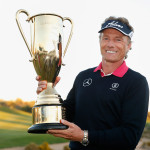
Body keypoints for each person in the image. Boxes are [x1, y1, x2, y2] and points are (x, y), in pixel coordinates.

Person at [36, 16, 149, 150]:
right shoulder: (83, 76)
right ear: (100, 41)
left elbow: (130, 137)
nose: (110, 44)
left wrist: (84, 136)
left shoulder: (136, 82)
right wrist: (49, 93)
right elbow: (67, 113)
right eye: (106, 38)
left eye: (118, 39)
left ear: (128, 45)